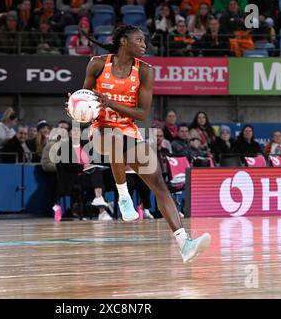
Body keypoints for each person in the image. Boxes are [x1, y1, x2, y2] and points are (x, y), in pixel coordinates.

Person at [76, 25, 211, 263]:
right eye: (139, 40)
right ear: (124, 42)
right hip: (99, 129)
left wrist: (111, 103)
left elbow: (142, 113)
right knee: (113, 138)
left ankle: (185, 243)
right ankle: (123, 194)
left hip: (129, 129)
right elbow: (83, 98)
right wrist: (76, 109)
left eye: (144, 40)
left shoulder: (145, 71)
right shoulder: (98, 64)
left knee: (158, 182)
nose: (144, 44)